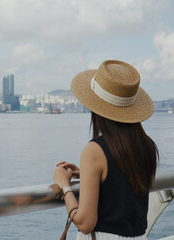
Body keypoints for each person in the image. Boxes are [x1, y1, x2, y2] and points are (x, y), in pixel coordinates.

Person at [53, 60, 158, 240]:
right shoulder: (147, 145)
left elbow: (85, 223)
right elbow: (122, 187)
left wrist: (64, 185)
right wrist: (88, 174)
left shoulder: (94, 150)